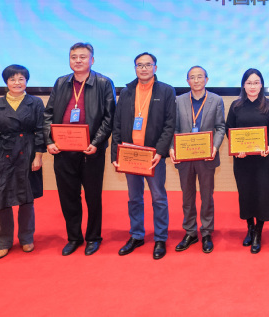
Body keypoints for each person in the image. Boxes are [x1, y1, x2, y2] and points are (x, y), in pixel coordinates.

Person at [44, 43, 116, 256]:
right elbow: (48, 115)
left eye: (83, 57)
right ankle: (74, 237)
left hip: (91, 151)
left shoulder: (103, 83)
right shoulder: (61, 82)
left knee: (93, 197)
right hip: (63, 150)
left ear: (92, 60)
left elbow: (109, 117)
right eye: (74, 57)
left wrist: (96, 142)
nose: (78, 60)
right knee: (68, 197)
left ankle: (93, 237)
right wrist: (49, 141)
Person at [0, 65, 45, 259]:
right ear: (6, 82)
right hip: (0, 156)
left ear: (27, 81)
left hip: (27, 154)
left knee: (26, 199)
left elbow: (41, 131)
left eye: (21, 79)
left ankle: (26, 238)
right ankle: (4, 241)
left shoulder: (36, 103)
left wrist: (38, 156)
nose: (17, 83)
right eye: (12, 79)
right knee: (1, 199)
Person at [111, 52, 177, 260]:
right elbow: (117, 124)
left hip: (153, 156)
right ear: (135, 68)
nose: (144, 69)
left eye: (148, 65)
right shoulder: (127, 91)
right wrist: (115, 154)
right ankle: (137, 235)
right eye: (140, 65)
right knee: (134, 198)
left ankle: (160, 238)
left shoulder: (166, 91)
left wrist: (160, 152)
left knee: (158, 198)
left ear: (155, 68)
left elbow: (170, 124)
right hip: (130, 154)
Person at [170, 65, 226, 254]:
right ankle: (190, 232)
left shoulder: (216, 100)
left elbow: (220, 127)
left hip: (206, 157)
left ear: (206, 79)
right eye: (192, 77)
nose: (196, 80)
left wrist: (215, 147)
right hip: (185, 157)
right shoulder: (178, 101)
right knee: (187, 197)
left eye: (200, 77)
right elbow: (174, 128)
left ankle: (207, 232)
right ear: (187, 81)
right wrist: (172, 148)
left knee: (207, 196)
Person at [226, 68, 269, 254]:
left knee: (262, 194)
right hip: (242, 160)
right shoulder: (236, 106)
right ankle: (250, 228)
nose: (252, 86)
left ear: (261, 85)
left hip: (262, 160)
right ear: (243, 85)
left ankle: (258, 232)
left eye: (256, 82)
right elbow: (229, 129)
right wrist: (236, 148)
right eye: (249, 83)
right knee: (245, 194)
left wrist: (268, 145)